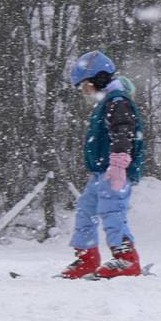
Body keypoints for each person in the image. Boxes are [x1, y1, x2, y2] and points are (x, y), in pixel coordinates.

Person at [60, 50, 144, 280]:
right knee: (86, 211)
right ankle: (87, 257)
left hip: (114, 170)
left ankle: (127, 259)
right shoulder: (107, 102)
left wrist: (118, 164)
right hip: (100, 172)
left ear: (98, 79)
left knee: (112, 211)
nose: (84, 92)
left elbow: (123, 132)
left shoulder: (118, 102)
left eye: (85, 85)